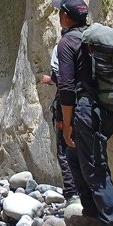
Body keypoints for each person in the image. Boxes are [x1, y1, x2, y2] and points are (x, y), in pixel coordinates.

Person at [53, 0, 113, 226]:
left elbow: (66, 88)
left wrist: (67, 123)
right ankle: (93, 215)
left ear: (64, 16)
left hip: (86, 111)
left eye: (58, 13)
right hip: (107, 111)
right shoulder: (94, 39)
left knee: (95, 169)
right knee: (76, 158)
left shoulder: (67, 43)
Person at [40, 44, 78, 203]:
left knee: (64, 149)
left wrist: (50, 79)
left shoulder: (63, 47)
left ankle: (72, 194)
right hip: (88, 106)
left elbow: (62, 77)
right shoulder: (89, 42)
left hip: (67, 106)